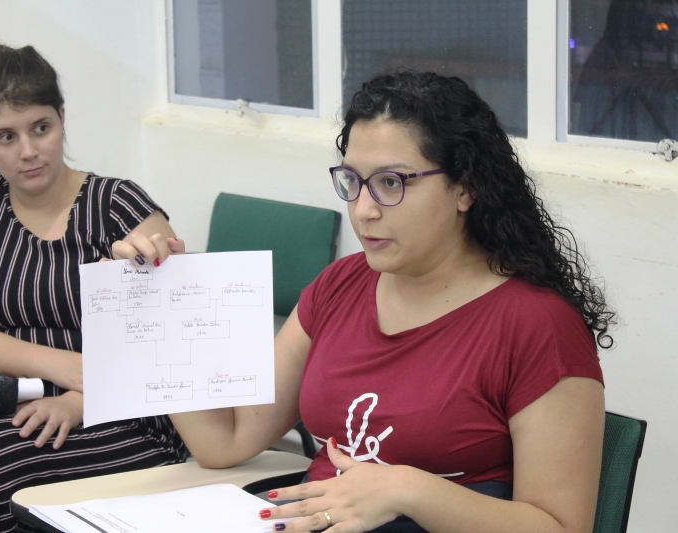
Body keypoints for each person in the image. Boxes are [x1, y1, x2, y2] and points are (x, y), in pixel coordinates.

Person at [168, 70, 612, 533]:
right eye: (352, 181)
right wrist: (160, 300)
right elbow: (227, 440)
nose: (364, 209)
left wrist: (408, 489)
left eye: (392, 183)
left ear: (465, 187)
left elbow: (561, 527)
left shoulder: (538, 324)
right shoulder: (339, 286)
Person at [0, 45, 187, 533]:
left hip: (126, 416)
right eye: (5, 137)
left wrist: (81, 398)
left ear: (62, 117)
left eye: (41, 128)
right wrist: (66, 368)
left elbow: (177, 347)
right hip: (13, 404)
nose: (28, 151)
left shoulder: (118, 204)